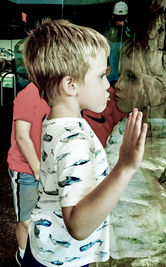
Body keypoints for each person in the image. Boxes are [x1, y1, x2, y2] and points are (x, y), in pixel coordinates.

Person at [21, 19, 147, 267]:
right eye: (101, 75)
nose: (108, 85)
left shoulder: (57, 122)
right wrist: (125, 168)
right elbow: (78, 226)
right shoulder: (73, 140)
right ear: (71, 85)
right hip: (62, 260)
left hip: (47, 251)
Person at [7, 82, 50, 266]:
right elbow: (22, 137)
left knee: (44, 219)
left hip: (47, 169)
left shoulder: (55, 93)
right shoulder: (28, 95)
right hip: (25, 170)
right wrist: (38, 171)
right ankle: (23, 257)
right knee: (26, 220)